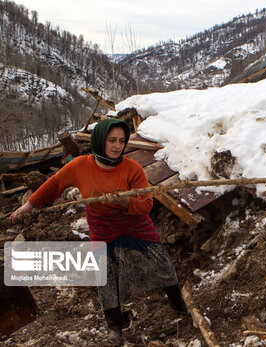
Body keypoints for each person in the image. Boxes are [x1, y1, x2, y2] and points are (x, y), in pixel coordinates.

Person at [11, 118, 187, 344]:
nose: (117, 146)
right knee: (105, 277)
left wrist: (124, 203)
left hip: (136, 226)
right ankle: (114, 326)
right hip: (103, 230)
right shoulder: (80, 166)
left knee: (162, 265)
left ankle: (178, 304)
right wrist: (29, 205)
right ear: (99, 141)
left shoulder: (132, 168)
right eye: (111, 140)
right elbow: (54, 185)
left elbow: (146, 204)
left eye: (122, 141)